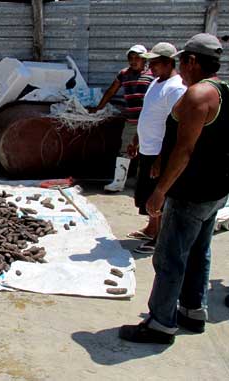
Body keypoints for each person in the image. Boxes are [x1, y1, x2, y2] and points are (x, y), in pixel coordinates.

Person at [119, 33, 229, 344]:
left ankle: (160, 324)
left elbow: (185, 150)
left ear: (192, 61)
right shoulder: (224, 90)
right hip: (215, 190)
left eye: (182, 60)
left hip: (190, 192)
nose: (180, 65)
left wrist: (160, 189)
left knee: (169, 257)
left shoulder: (197, 96)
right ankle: (193, 311)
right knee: (198, 252)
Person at [127, 42, 187, 255]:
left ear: (169, 62)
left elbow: (176, 127)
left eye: (156, 63)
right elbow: (147, 113)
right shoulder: (156, 82)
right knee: (146, 193)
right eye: (150, 62)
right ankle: (151, 228)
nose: (151, 67)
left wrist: (162, 159)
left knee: (158, 196)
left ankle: (159, 238)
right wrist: (136, 140)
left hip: (159, 151)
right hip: (147, 147)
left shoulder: (176, 88)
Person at [89, 45, 154, 192]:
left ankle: (141, 183)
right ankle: (118, 182)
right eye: (131, 58)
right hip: (131, 120)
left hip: (148, 120)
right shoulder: (124, 74)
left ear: (144, 60)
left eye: (137, 58)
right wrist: (99, 108)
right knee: (125, 150)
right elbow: (111, 91)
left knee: (146, 151)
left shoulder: (152, 75)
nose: (133, 61)